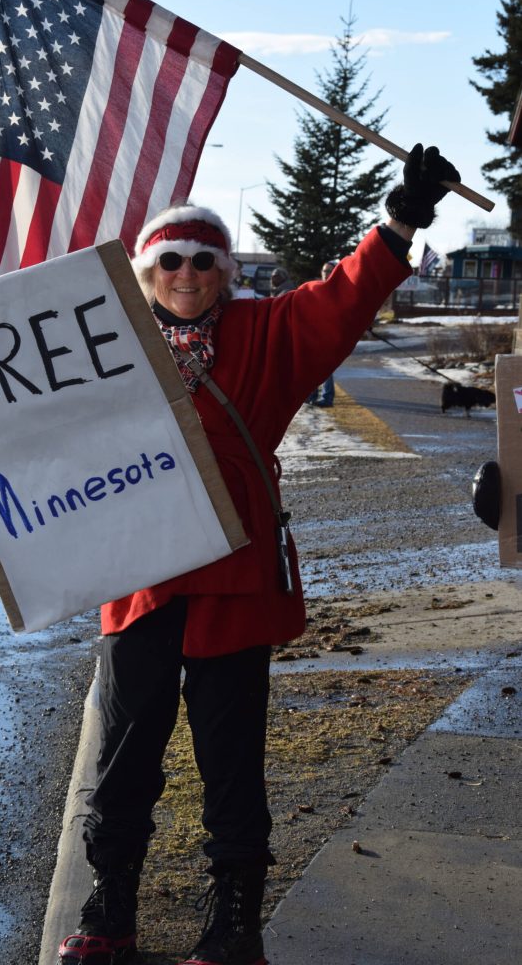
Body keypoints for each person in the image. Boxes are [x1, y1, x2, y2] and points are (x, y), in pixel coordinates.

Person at [59, 143, 460, 965]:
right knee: (125, 753)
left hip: (233, 580)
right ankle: (110, 911)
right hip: (138, 581)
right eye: (167, 260)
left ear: (224, 271)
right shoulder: (102, 347)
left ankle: (233, 925)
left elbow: (340, 300)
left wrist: (401, 218)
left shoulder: (264, 333)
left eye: (203, 259)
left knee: (231, 757)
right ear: (144, 272)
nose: (185, 272)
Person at [305, 259, 339, 406]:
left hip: (330, 333)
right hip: (315, 331)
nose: (326, 274)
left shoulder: (339, 289)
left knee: (326, 368)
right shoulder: (318, 287)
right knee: (312, 366)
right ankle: (312, 395)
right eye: (324, 271)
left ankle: (327, 397)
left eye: (329, 271)